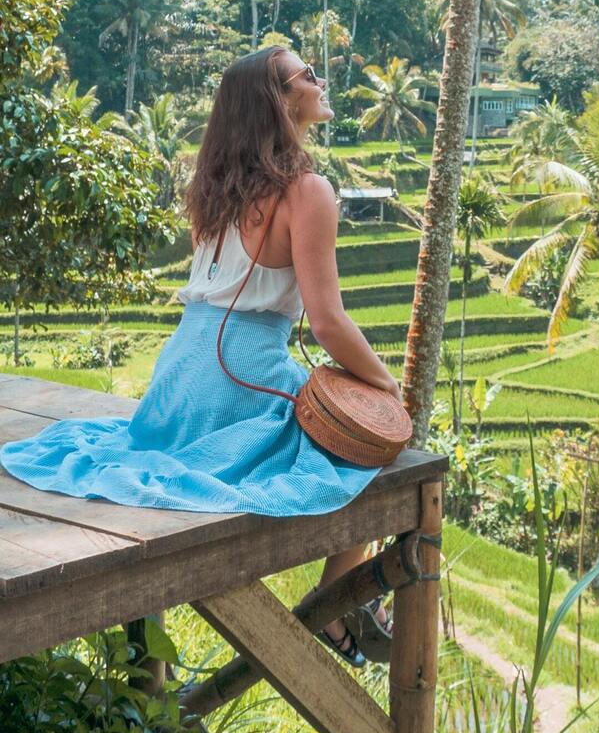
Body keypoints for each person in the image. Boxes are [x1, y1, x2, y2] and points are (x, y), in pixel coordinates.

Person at [0, 45, 402, 668]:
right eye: (307, 75)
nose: (320, 80)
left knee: (334, 437)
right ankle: (336, 595)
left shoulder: (213, 189)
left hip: (180, 375)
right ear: (279, 99)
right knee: (363, 443)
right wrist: (388, 388)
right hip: (242, 376)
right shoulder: (309, 192)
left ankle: (343, 605)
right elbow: (327, 322)